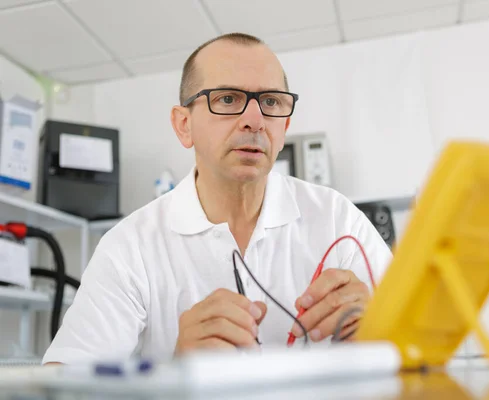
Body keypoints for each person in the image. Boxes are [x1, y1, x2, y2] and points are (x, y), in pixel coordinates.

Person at [42, 33, 392, 364]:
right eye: (227, 99)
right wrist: (174, 375)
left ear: (284, 127)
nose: (254, 120)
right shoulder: (130, 247)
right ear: (184, 125)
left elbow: (428, 349)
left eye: (270, 102)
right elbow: (62, 387)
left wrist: (382, 330)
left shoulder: (337, 220)